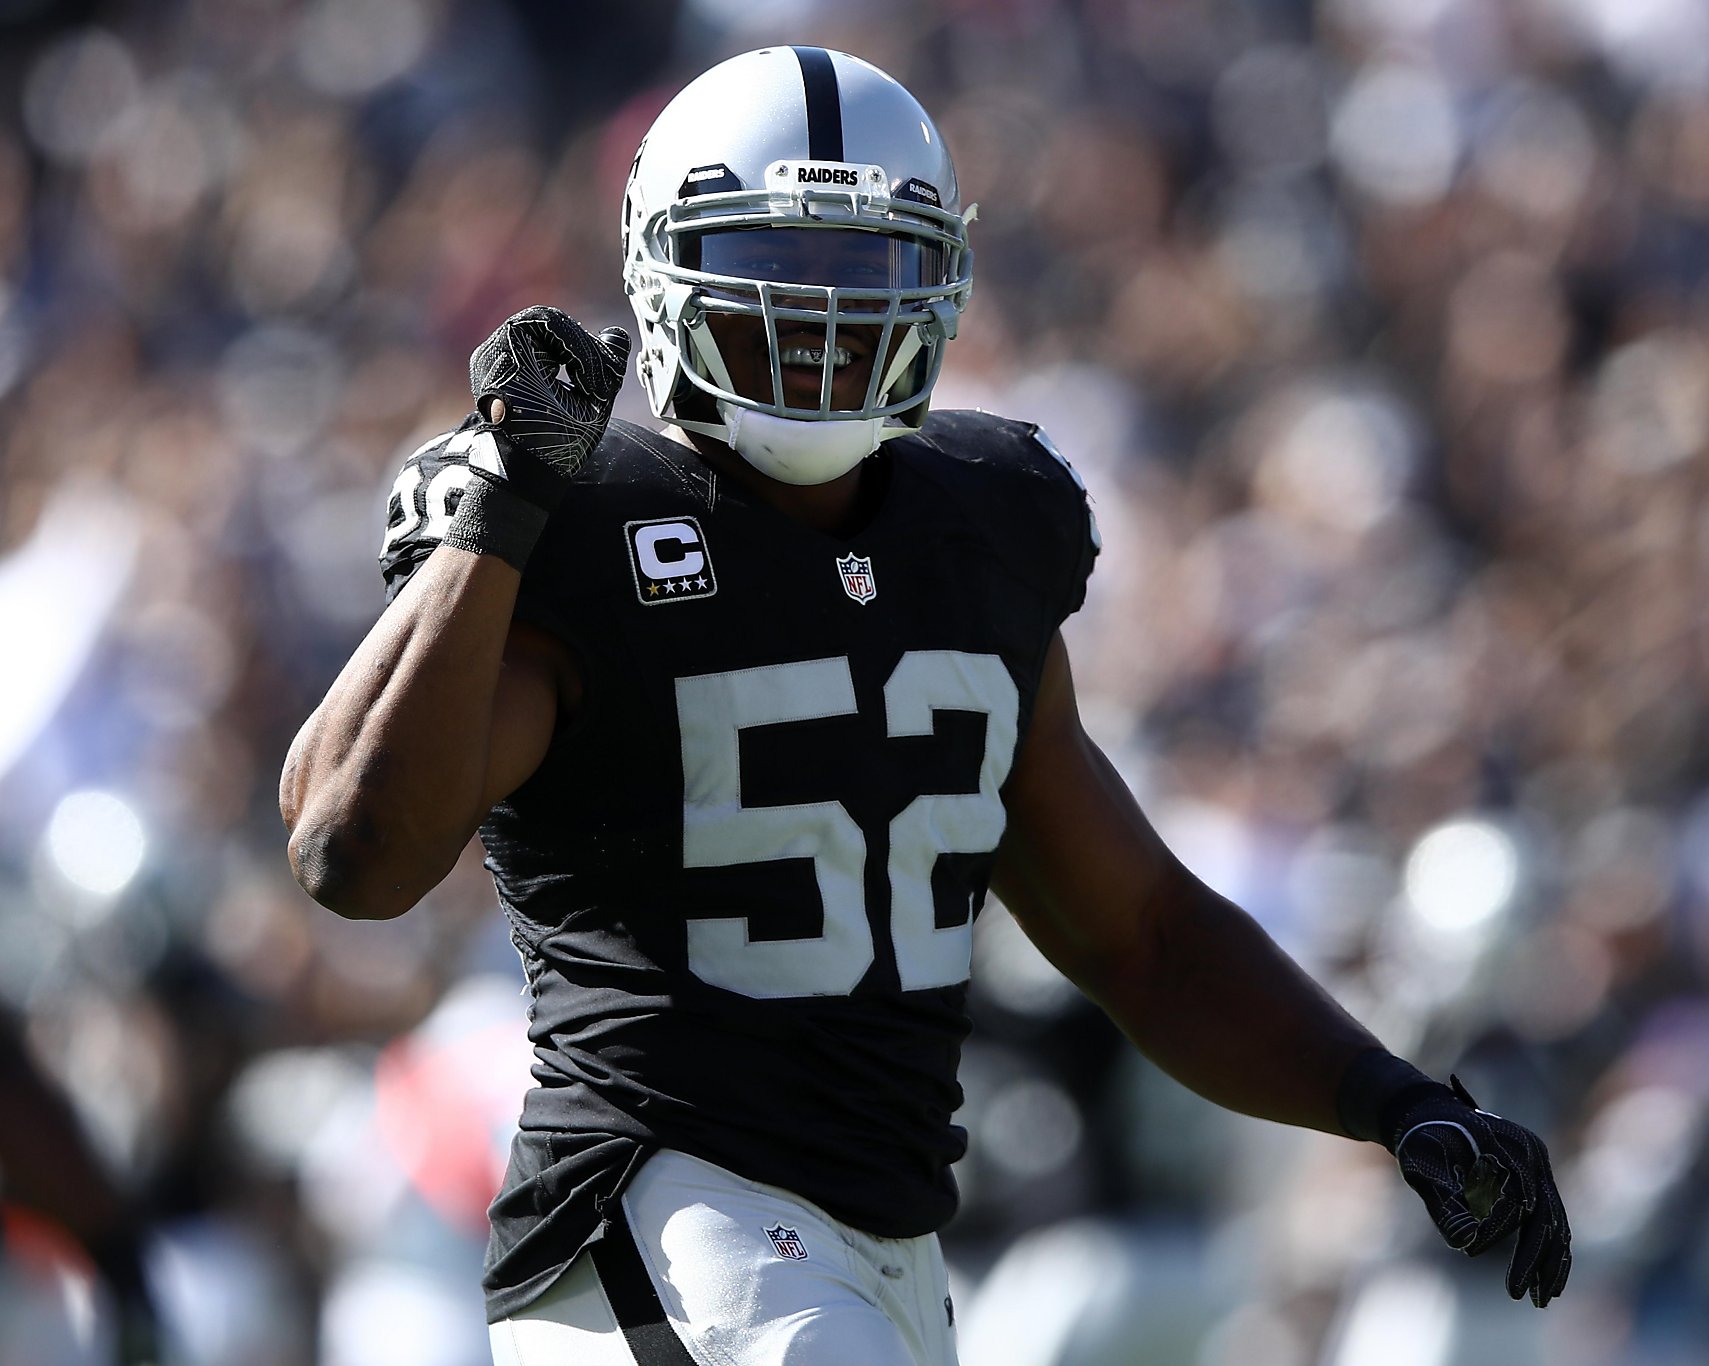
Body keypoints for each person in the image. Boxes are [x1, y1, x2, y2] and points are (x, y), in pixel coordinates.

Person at [279, 45, 1570, 1366]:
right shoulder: (585, 517)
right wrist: (495, 521)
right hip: (663, 1222)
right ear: (662, 265)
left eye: (862, 263)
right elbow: (350, 853)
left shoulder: (982, 524)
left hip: (889, 1248)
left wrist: (1394, 1099)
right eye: (772, 258)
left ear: (940, 272)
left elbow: (1138, 932)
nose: (821, 314)